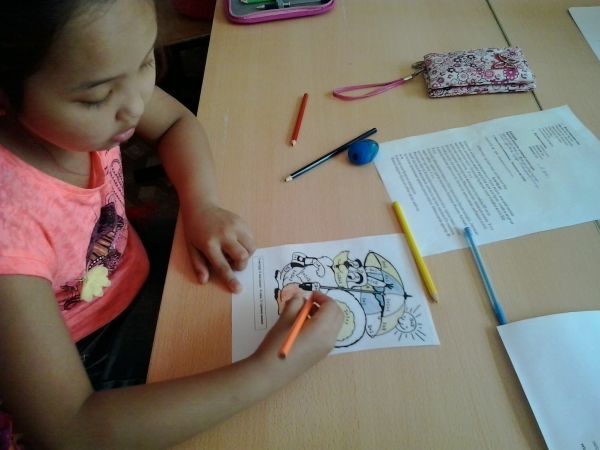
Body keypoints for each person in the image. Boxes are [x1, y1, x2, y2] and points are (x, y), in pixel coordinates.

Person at [0, 1, 344, 448]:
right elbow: (70, 429)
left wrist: (201, 205)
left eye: (146, 61)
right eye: (96, 98)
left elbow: (175, 123)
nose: (135, 106)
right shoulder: (10, 230)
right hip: (87, 356)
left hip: (127, 271)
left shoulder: (98, 87)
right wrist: (271, 369)